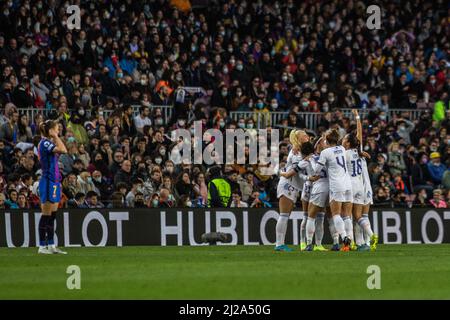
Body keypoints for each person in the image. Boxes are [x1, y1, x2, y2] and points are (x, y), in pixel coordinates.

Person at [312, 129, 352, 251]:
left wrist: (310, 160)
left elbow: (316, 170)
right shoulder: (342, 149)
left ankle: (345, 237)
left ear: (326, 140)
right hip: (347, 184)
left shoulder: (325, 152)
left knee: (336, 214)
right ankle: (350, 241)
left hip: (336, 185)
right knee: (346, 215)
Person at [274, 129, 310, 252]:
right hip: (288, 184)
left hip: (294, 185)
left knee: (286, 215)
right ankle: (279, 244)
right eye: (304, 135)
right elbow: (296, 169)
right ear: (298, 139)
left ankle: (280, 244)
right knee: (284, 214)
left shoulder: (304, 150)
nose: (307, 136)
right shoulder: (295, 152)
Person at [37, 120, 68, 254]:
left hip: (54, 181)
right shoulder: (45, 142)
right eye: (56, 129)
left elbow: (63, 149)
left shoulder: (50, 142)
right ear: (50, 130)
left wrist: (55, 137)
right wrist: (55, 136)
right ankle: (42, 246)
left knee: (52, 216)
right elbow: (64, 150)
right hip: (48, 181)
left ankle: (51, 245)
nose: (58, 131)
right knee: (46, 215)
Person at [353, 109, 378, 251]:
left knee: (356, 217)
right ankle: (367, 243)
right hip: (366, 186)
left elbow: (359, 134)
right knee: (363, 215)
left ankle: (362, 242)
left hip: (356, 185)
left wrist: (357, 117)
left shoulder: (346, 152)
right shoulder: (360, 152)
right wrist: (357, 117)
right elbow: (359, 133)